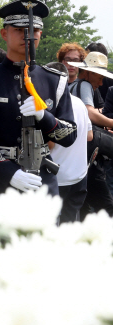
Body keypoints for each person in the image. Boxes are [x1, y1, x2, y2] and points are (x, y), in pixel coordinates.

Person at [0, 0, 76, 196]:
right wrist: (8, 172)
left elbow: (70, 135)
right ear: (4, 34)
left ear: (40, 34)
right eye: (19, 29)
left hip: (41, 180)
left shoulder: (54, 80)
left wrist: (44, 116)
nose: (28, 35)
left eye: (34, 29)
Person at [67, 51, 113, 217]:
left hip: (75, 156)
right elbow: (90, 113)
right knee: (107, 208)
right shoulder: (84, 85)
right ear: (90, 73)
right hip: (87, 152)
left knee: (83, 207)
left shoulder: (71, 86)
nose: (101, 83)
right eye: (100, 77)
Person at [45, 63, 91, 223]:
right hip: (79, 176)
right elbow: (89, 135)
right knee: (69, 227)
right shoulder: (79, 103)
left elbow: (50, 144)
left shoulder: (48, 106)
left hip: (57, 179)